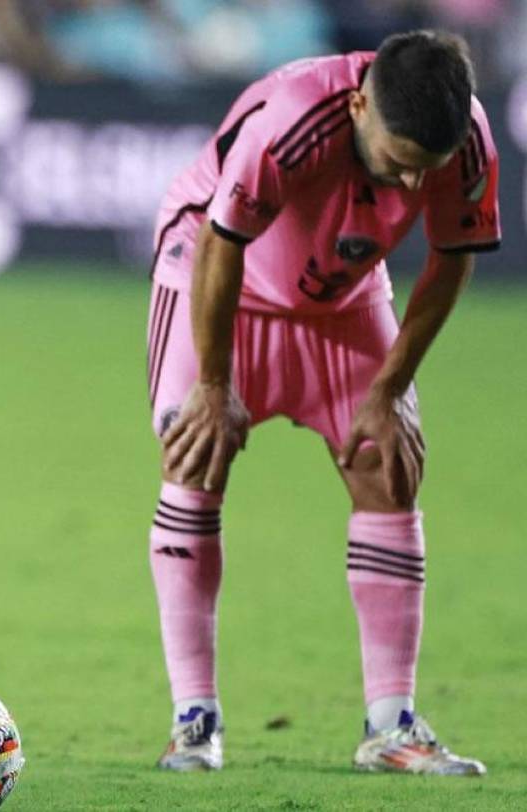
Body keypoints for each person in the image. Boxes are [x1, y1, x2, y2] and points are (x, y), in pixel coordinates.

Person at [145, 30, 498, 774]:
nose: (410, 188)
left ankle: (391, 727)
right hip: (216, 280)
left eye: (423, 172)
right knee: (195, 456)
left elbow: (450, 261)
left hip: (343, 297)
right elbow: (220, 243)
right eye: (401, 163)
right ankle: (194, 721)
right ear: (361, 104)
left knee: (388, 463)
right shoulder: (293, 117)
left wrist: (390, 389)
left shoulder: (465, 142)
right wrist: (213, 387)